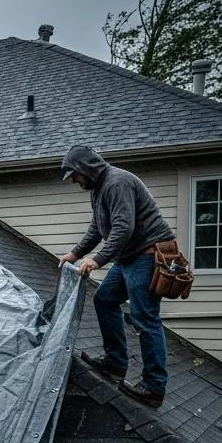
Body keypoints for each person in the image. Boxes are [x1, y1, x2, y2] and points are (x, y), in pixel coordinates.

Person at [57, 145, 175, 408]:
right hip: (128, 256)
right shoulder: (99, 189)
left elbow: (123, 228)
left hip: (148, 254)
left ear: (85, 168)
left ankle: (154, 387)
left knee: (145, 318)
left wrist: (97, 260)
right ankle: (116, 362)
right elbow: (98, 228)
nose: (75, 181)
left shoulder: (117, 182)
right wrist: (74, 254)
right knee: (105, 299)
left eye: (75, 175)